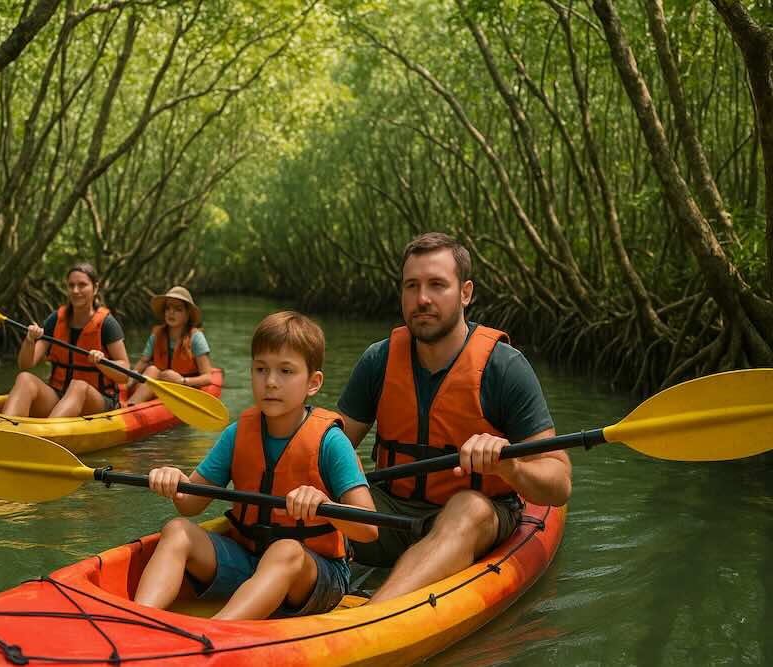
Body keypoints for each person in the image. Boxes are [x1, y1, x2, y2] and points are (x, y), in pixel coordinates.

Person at [337, 232, 571, 604]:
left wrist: (510, 468)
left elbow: (559, 484)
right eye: (411, 286)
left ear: (465, 293)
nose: (422, 299)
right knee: (322, 493)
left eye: (436, 285)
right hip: (390, 514)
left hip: (476, 517)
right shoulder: (378, 361)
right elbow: (325, 449)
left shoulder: (505, 368)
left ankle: (371, 618)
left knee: (470, 506)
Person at [133, 311, 378, 620]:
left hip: (316, 575)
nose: (271, 382)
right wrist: (173, 481)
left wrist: (324, 503)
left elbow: (369, 529)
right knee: (177, 531)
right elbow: (190, 505)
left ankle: (214, 635)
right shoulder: (238, 434)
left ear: (313, 383)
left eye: (286, 371)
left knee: (285, 550)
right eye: (261, 369)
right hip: (248, 560)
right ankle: (137, 620)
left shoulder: (331, 442)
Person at [1, 263, 130, 417]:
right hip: (59, 395)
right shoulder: (55, 320)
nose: (76, 291)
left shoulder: (107, 324)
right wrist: (29, 340)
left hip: (99, 401)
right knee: (24, 379)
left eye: (82, 285)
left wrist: (102, 363)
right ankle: (5, 430)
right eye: (71, 285)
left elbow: (125, 374)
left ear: (95, 288)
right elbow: (25, 364)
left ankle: (47, 433)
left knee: (79, 386)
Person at [127, 286, 213, 405]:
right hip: (160, 384)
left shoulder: (196, 337)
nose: (171, 312)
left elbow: (208, 377)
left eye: (178, 309)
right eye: (168, 308)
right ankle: (131, 405)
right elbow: (143, 362)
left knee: (153, 370)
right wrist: (130, 380)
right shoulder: (157, 335)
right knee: (152, 369)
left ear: (187, 314)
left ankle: (131, 405)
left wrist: (182, 380)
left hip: (183, 388)